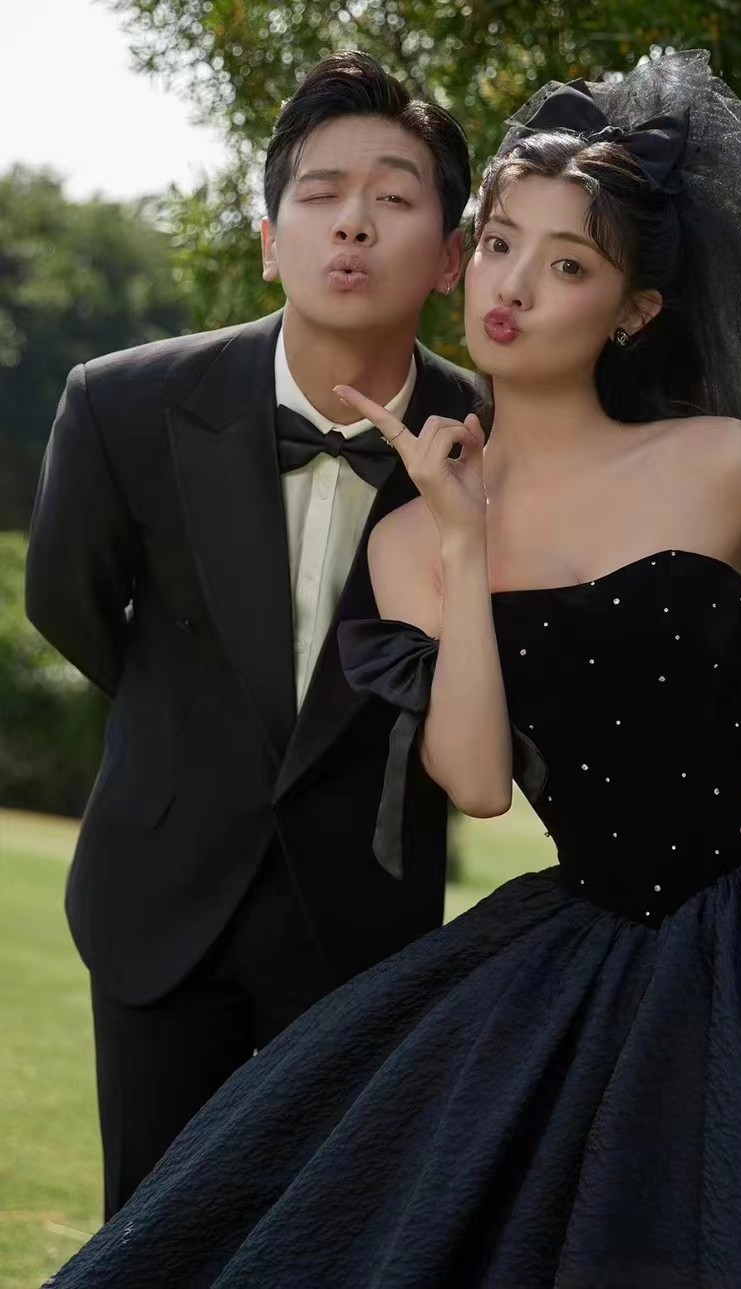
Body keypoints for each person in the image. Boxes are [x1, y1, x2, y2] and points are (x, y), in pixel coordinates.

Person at [47, 51, 741, 1287]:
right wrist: (464, 538)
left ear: (634, 311)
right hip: (585, 951)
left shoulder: (717, 460)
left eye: (570, 264)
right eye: (500, 246)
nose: (516, 285)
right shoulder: (413, 536)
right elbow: (478, 782)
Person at [24, 51, 477, 1219]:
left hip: (366, 920)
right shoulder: (120, 404)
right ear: (272, 240)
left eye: (394, 197)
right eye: (320, 195)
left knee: (323, 1245)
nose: (353, 223)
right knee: (148, 1234)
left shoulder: (492, 441)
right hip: (157, 895)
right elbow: (71, 605)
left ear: (451, 256)